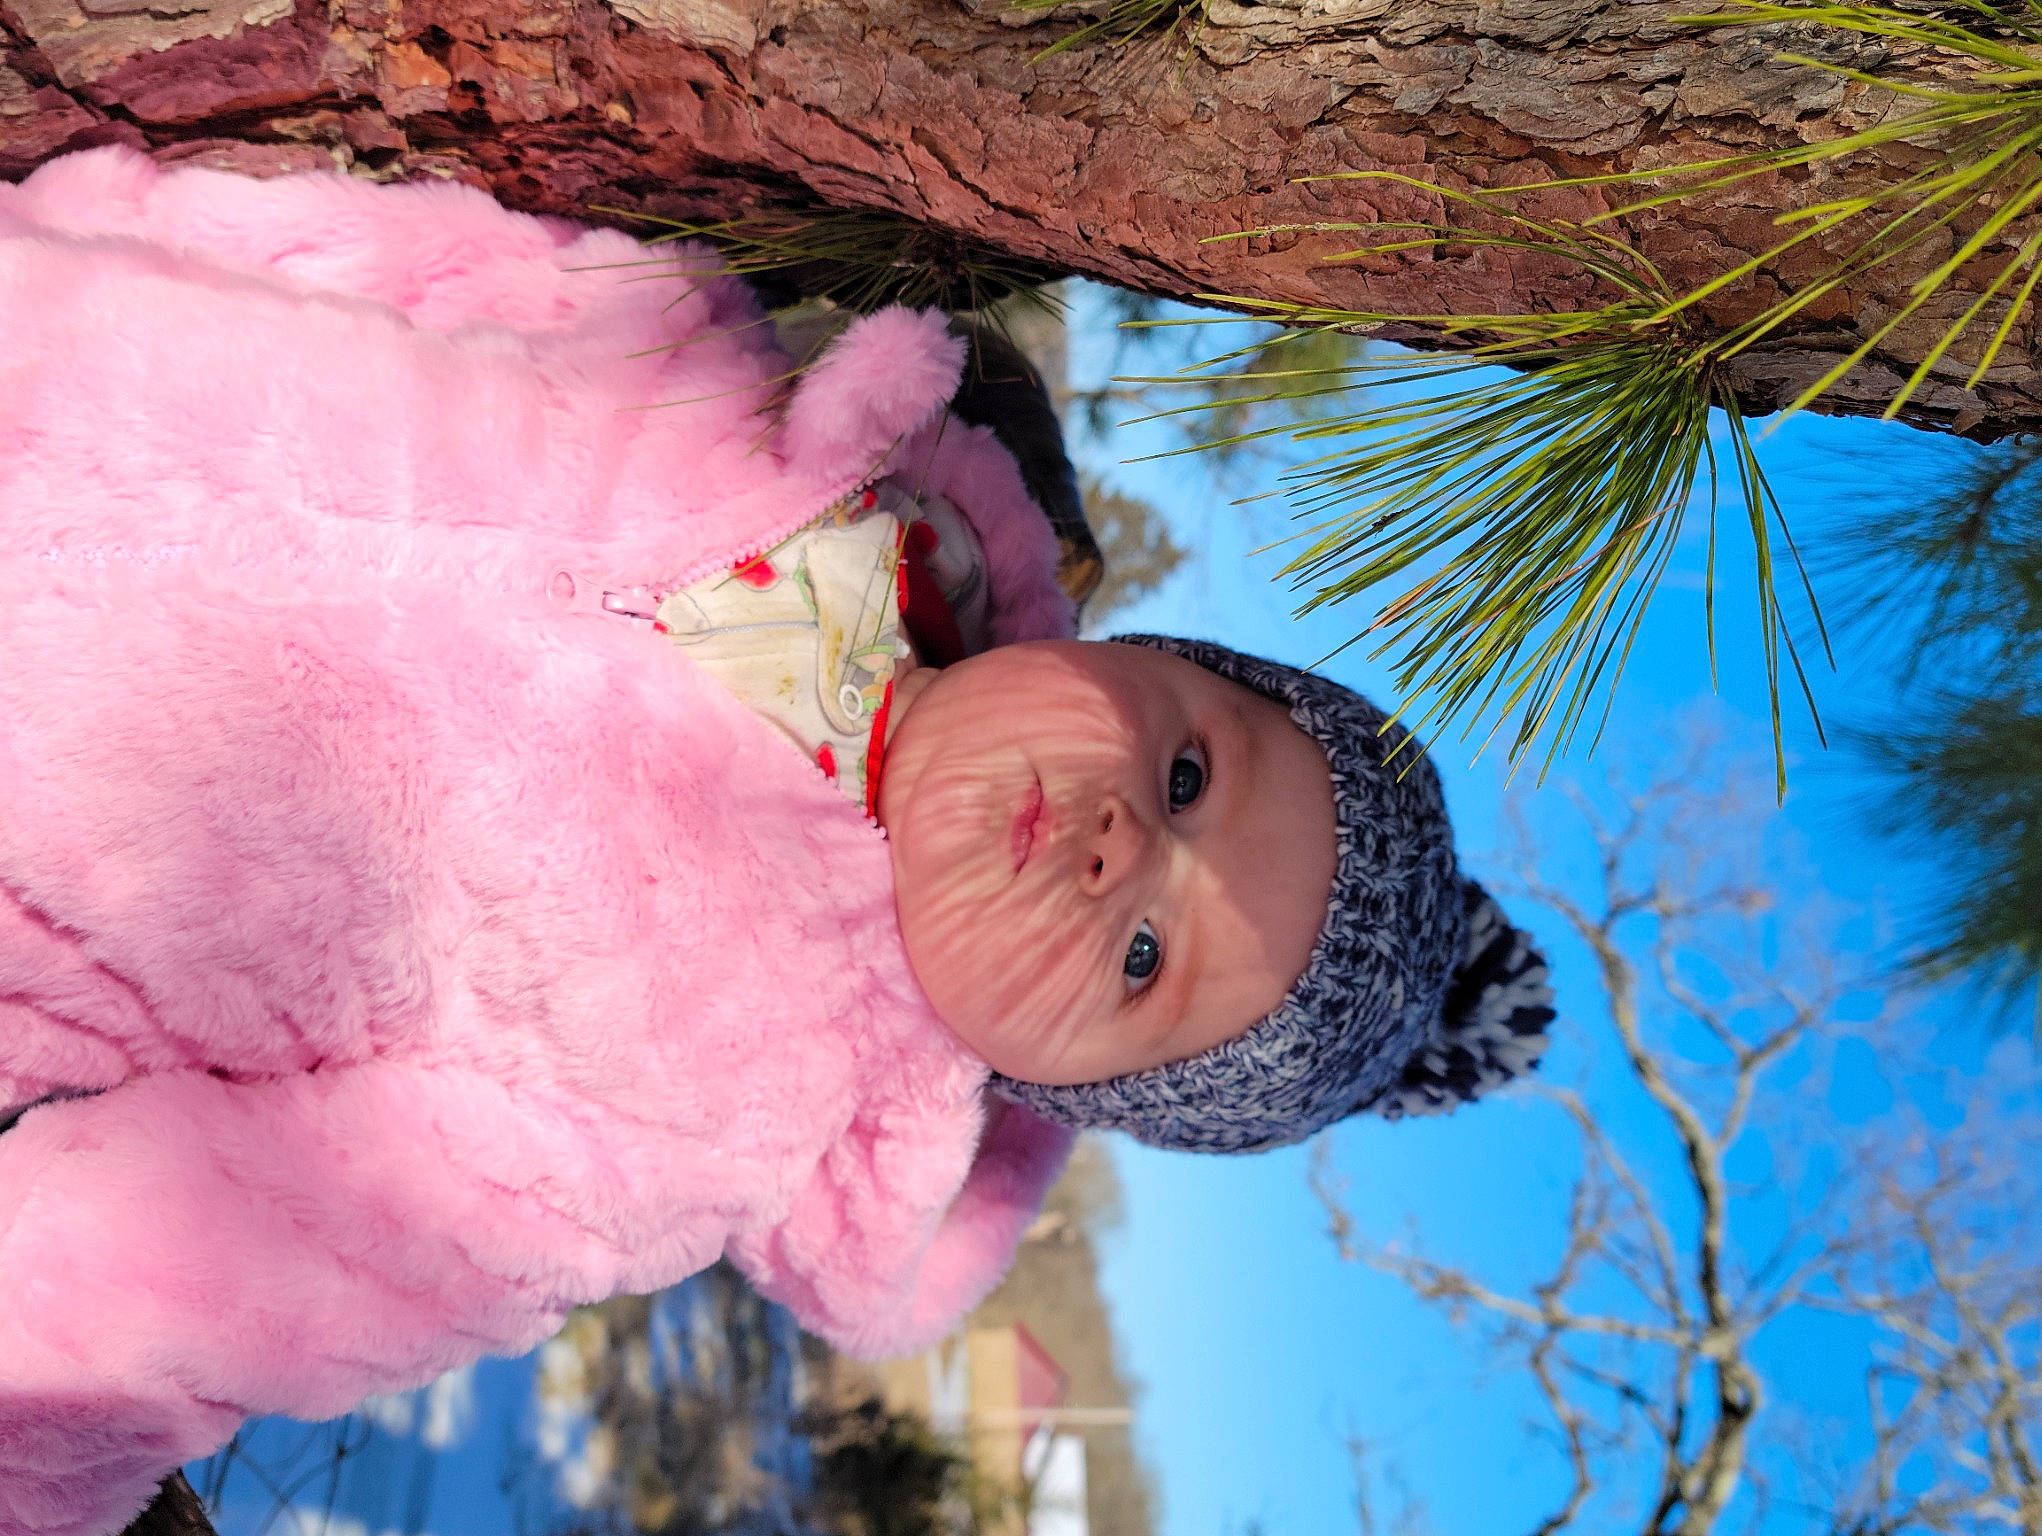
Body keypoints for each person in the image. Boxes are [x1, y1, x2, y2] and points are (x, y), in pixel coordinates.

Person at [0, 147, 1552, 1536]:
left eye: (1146, 957)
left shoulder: (701, 1113)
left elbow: (236, 1264)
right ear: (1153, 660)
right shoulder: (786, 418)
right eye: (1195, 777)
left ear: (1055, 1082)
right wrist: (103, 219)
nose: (1114, 846)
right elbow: (430, 267)